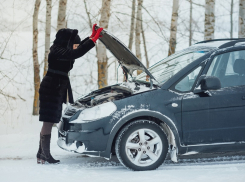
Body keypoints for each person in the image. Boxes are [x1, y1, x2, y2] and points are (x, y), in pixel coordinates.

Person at [37, 24, 103, 164]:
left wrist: (90, 37)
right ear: (67, 42)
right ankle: (45, 155)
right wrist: (93, 41)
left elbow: (76, 50)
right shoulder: (56, 51)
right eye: (74, 44)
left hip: (56, 87)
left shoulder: (62, 49)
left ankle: (41, 153)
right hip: (51, 88)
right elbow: (76, 53)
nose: (75, 47)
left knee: (49, 120)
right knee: (48, 121)